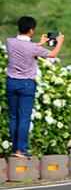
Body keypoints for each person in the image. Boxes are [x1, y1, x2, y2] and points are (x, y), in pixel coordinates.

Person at [5, 16, 64, 158]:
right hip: (26, 84)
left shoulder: (10, 42)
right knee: (24, 118)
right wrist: (59, 42)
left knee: (14, 117)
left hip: (11, 82)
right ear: (31, 30)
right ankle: (21, 150)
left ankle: (14, 149)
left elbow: (24, 47)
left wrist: (39, 43)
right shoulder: (33, 48)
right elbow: (53, 54)